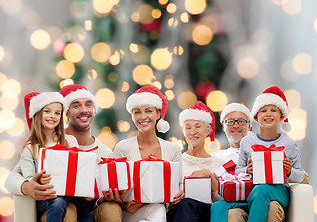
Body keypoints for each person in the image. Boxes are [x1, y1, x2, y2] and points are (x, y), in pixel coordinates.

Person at [6, 84, 121, 222]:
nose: (84, 110)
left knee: (111, 208)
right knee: (68, 210)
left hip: (87, 208)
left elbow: (101, 193)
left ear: (95, 110)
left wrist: (98, 199)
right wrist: (27, 186)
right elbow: (12, 177)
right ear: (66, 112)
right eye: (76, 105)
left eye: (88, 105)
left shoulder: (105, 153)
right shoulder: (43, 145)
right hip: (55, 206)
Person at [212, 86, 305, 222]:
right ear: (256, 116)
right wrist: (246, 170)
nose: (268, 114)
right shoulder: (247, 142)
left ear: (281, 116)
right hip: (252, 191)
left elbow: (300, 176)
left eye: (273, 110)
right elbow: (238, 170)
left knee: (262, 190)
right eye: (263, 111)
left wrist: (290, 171)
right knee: (219, 206)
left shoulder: (288, 143)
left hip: (279, 191)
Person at [112, 85, 182, 222]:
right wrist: (123, 205)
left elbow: (179, 186)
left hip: (163, 212)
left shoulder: (173, 149)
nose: (143, 117)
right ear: (132, 117)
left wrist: (180, 193)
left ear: (157, 114)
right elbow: (112, 186)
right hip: (130, 212)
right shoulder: (123, 147)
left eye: (148, 111)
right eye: (137, 112)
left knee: (157, 209)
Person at [20, 92, 92, 222]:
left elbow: (79, 169)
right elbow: (29, 179)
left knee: (85, 215)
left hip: (71, 194)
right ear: (38, 114)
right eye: (47, 111)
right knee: (58, 201)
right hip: (46, 196)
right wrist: (39, 180)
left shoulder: (70, 141)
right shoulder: (30, 148)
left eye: (57, 113)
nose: (52, 116)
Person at [211, 102, 285, 222]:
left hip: (263, 200)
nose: (236, 125)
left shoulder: (265, 148)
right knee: (231, 214)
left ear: (249, 126)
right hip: (232, 204)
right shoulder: (215, 157)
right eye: (230, 121)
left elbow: (299, 177)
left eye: (241, 121)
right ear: (223, 126)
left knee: (270, 207)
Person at [166, 101, 225, 222]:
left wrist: (209, 175)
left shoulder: (219, 164)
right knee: (185, 204)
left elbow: (223, 201)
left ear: (208, 130)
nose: (193, 132)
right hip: (178, 212)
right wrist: (176, 195)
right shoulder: (176, 161)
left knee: (188, 204)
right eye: (188, 127)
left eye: (198, 126)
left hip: (207, 214)